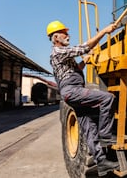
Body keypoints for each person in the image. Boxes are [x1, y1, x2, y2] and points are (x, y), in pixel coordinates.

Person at [47, 20, 119, 176]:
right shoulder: (58, 52)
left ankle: (102, 163)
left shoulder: (63, 55)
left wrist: (83, 62)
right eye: (65, 33)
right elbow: (85, 47)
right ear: (56, 37)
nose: (68, 35)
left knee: (89, 129)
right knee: (108, 98)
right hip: (73, 91)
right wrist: (105, 31)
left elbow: (74, 70)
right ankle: (106, 136)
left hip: (72, 91)